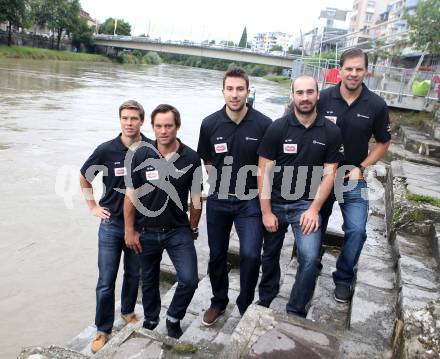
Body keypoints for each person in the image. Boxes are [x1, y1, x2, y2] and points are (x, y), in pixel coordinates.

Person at [257, 75, 344, 317]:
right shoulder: (277, 127)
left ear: (318, 95)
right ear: (292, 96)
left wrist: (314, 209)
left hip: (305, 206)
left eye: (309, 92)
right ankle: (265, 299)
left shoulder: (331, 131)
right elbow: (263, 172)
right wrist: (266, 212)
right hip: (275, 203)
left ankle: (295, 309)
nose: (304, 97)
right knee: (269, 255)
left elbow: (330, 175)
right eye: (300, 93)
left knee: (309, 259)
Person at [197, 67, 272, 325]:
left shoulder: (264, 124)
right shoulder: (209, 124)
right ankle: (218, 301)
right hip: (218, 199)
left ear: (248, 91)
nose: (235, 94)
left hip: (250, 200)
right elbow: (206, 159)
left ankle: (245, 303)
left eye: (240, 89)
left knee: (251, 255)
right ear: (223, 91)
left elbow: (267, 166)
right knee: (216, 254)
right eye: (230, 88)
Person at [318, 48, 391, 303]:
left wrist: (362, 166)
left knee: (358, 230)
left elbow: (383, 142)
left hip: (354, 177)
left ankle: (344, 277)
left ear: (366, 71)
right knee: (314, 222)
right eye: (349, 68)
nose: (354, 73)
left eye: (359, 69)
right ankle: (312, 263)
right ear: (340, 70)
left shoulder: (377, 105)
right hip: (322, 176)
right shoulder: (323, 98)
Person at [124, 104, 202, 339]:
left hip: (177, 230)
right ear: (152, 127)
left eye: (168, 125)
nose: (163, 130)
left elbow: (196, 199)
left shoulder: (191, 158)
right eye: (158, 126)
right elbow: (130, 195)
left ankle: (174, 317)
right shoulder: (140, 154)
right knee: (148, 280)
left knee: (189, 279)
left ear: (177, 127)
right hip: (146, 230)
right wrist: (129, 229)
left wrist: (193, 227)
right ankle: (150, 318)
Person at [79, 100, 149, 353]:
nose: (129, 123)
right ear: (120, 120)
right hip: (111, 224)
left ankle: (128, 311)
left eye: (134, 118)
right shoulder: (106, 150)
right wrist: (93, 207)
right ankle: (102, 330)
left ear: (142, 120)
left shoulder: (151, 149)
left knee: (133, 274)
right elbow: (84, 176)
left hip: (140, 226)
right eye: (125, 118)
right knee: (106, 280)